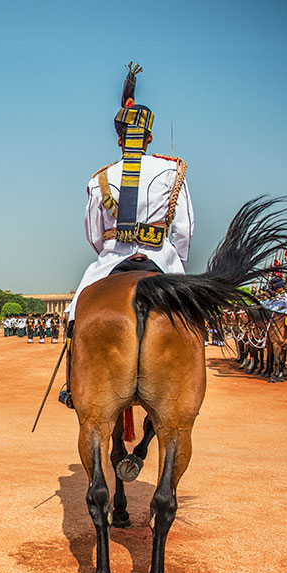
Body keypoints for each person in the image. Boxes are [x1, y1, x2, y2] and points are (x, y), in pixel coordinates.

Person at [61, 63, 193, 407]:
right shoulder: (170, 171)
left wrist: (111, 252)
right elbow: (184, 229)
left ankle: (71, 387)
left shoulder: (99, 179)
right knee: (192, 319)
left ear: (119, 138)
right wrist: (176, 263)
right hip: (162, 258)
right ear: (148, 137)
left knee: (75, 316)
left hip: (112, 261)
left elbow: (94, 235)